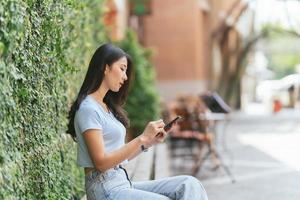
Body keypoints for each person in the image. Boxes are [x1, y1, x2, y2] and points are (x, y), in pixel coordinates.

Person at [67, 43, 208, 200]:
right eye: (122, 69)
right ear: (106, 68)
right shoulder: (88, 109)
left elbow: (118, 155)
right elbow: (100, 163)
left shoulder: (106, 107)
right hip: (104, 190)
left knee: (189, 184)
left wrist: (148, 143)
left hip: (122, 182)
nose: (125, 77)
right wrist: (142, 138)